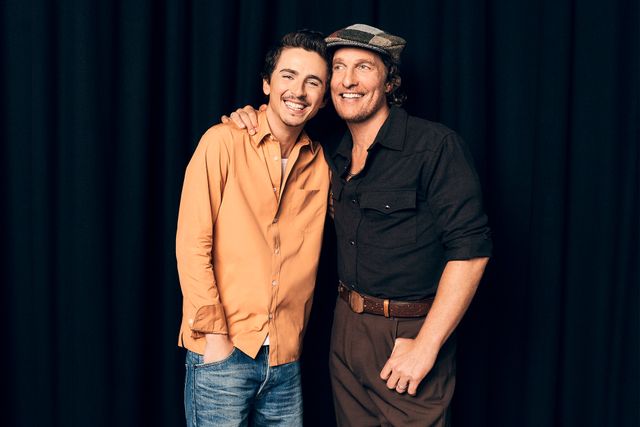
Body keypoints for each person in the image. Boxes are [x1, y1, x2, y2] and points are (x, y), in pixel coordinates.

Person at [225, 23, 492, 427]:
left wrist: (426, 345)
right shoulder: (331, 155)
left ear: (390, 82)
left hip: (408, 332)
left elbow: (470, 252)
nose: (348, 80)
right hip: (345, 329)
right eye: (338, 68)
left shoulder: (434, 147)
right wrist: (250, 117)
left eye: (364, 67)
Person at [176, 30, 331, 427]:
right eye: (288, 76)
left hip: (285, 359)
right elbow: (192, 244)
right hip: (223, 353)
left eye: (313, 82)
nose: (299, 91)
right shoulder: (222, 143)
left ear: (324, 98)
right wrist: (215, 338)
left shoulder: (322, 165)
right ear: (266, 83)